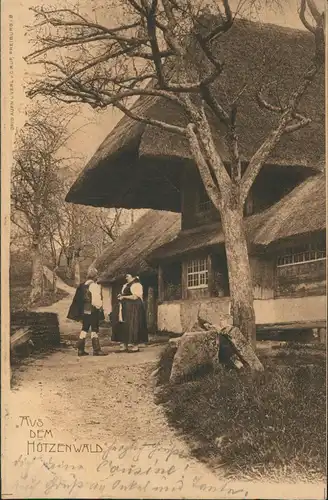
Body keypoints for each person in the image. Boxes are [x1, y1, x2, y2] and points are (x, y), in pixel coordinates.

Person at [67, 268, 108, 356]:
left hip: (84, 311)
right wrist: (99, 307)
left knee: (85, 328)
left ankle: (80, 350)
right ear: (95, 277)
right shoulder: (94, 286)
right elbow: (96, 301)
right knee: (94, 329)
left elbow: (77, 300)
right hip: (93, 310)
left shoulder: (82, 285)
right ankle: (96, 350)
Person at [112, 273, 148, 352]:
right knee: (125, 325)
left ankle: (135, 346)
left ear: (134, 277)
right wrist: (121, 295)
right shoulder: (125, 285)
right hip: (126, 307)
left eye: (128, 276)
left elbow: (135, 297)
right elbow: (125, 294)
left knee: (133, 324)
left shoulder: (137, 285)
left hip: (134, 307)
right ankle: (124, 345)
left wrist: (124, 297)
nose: (126, 278)